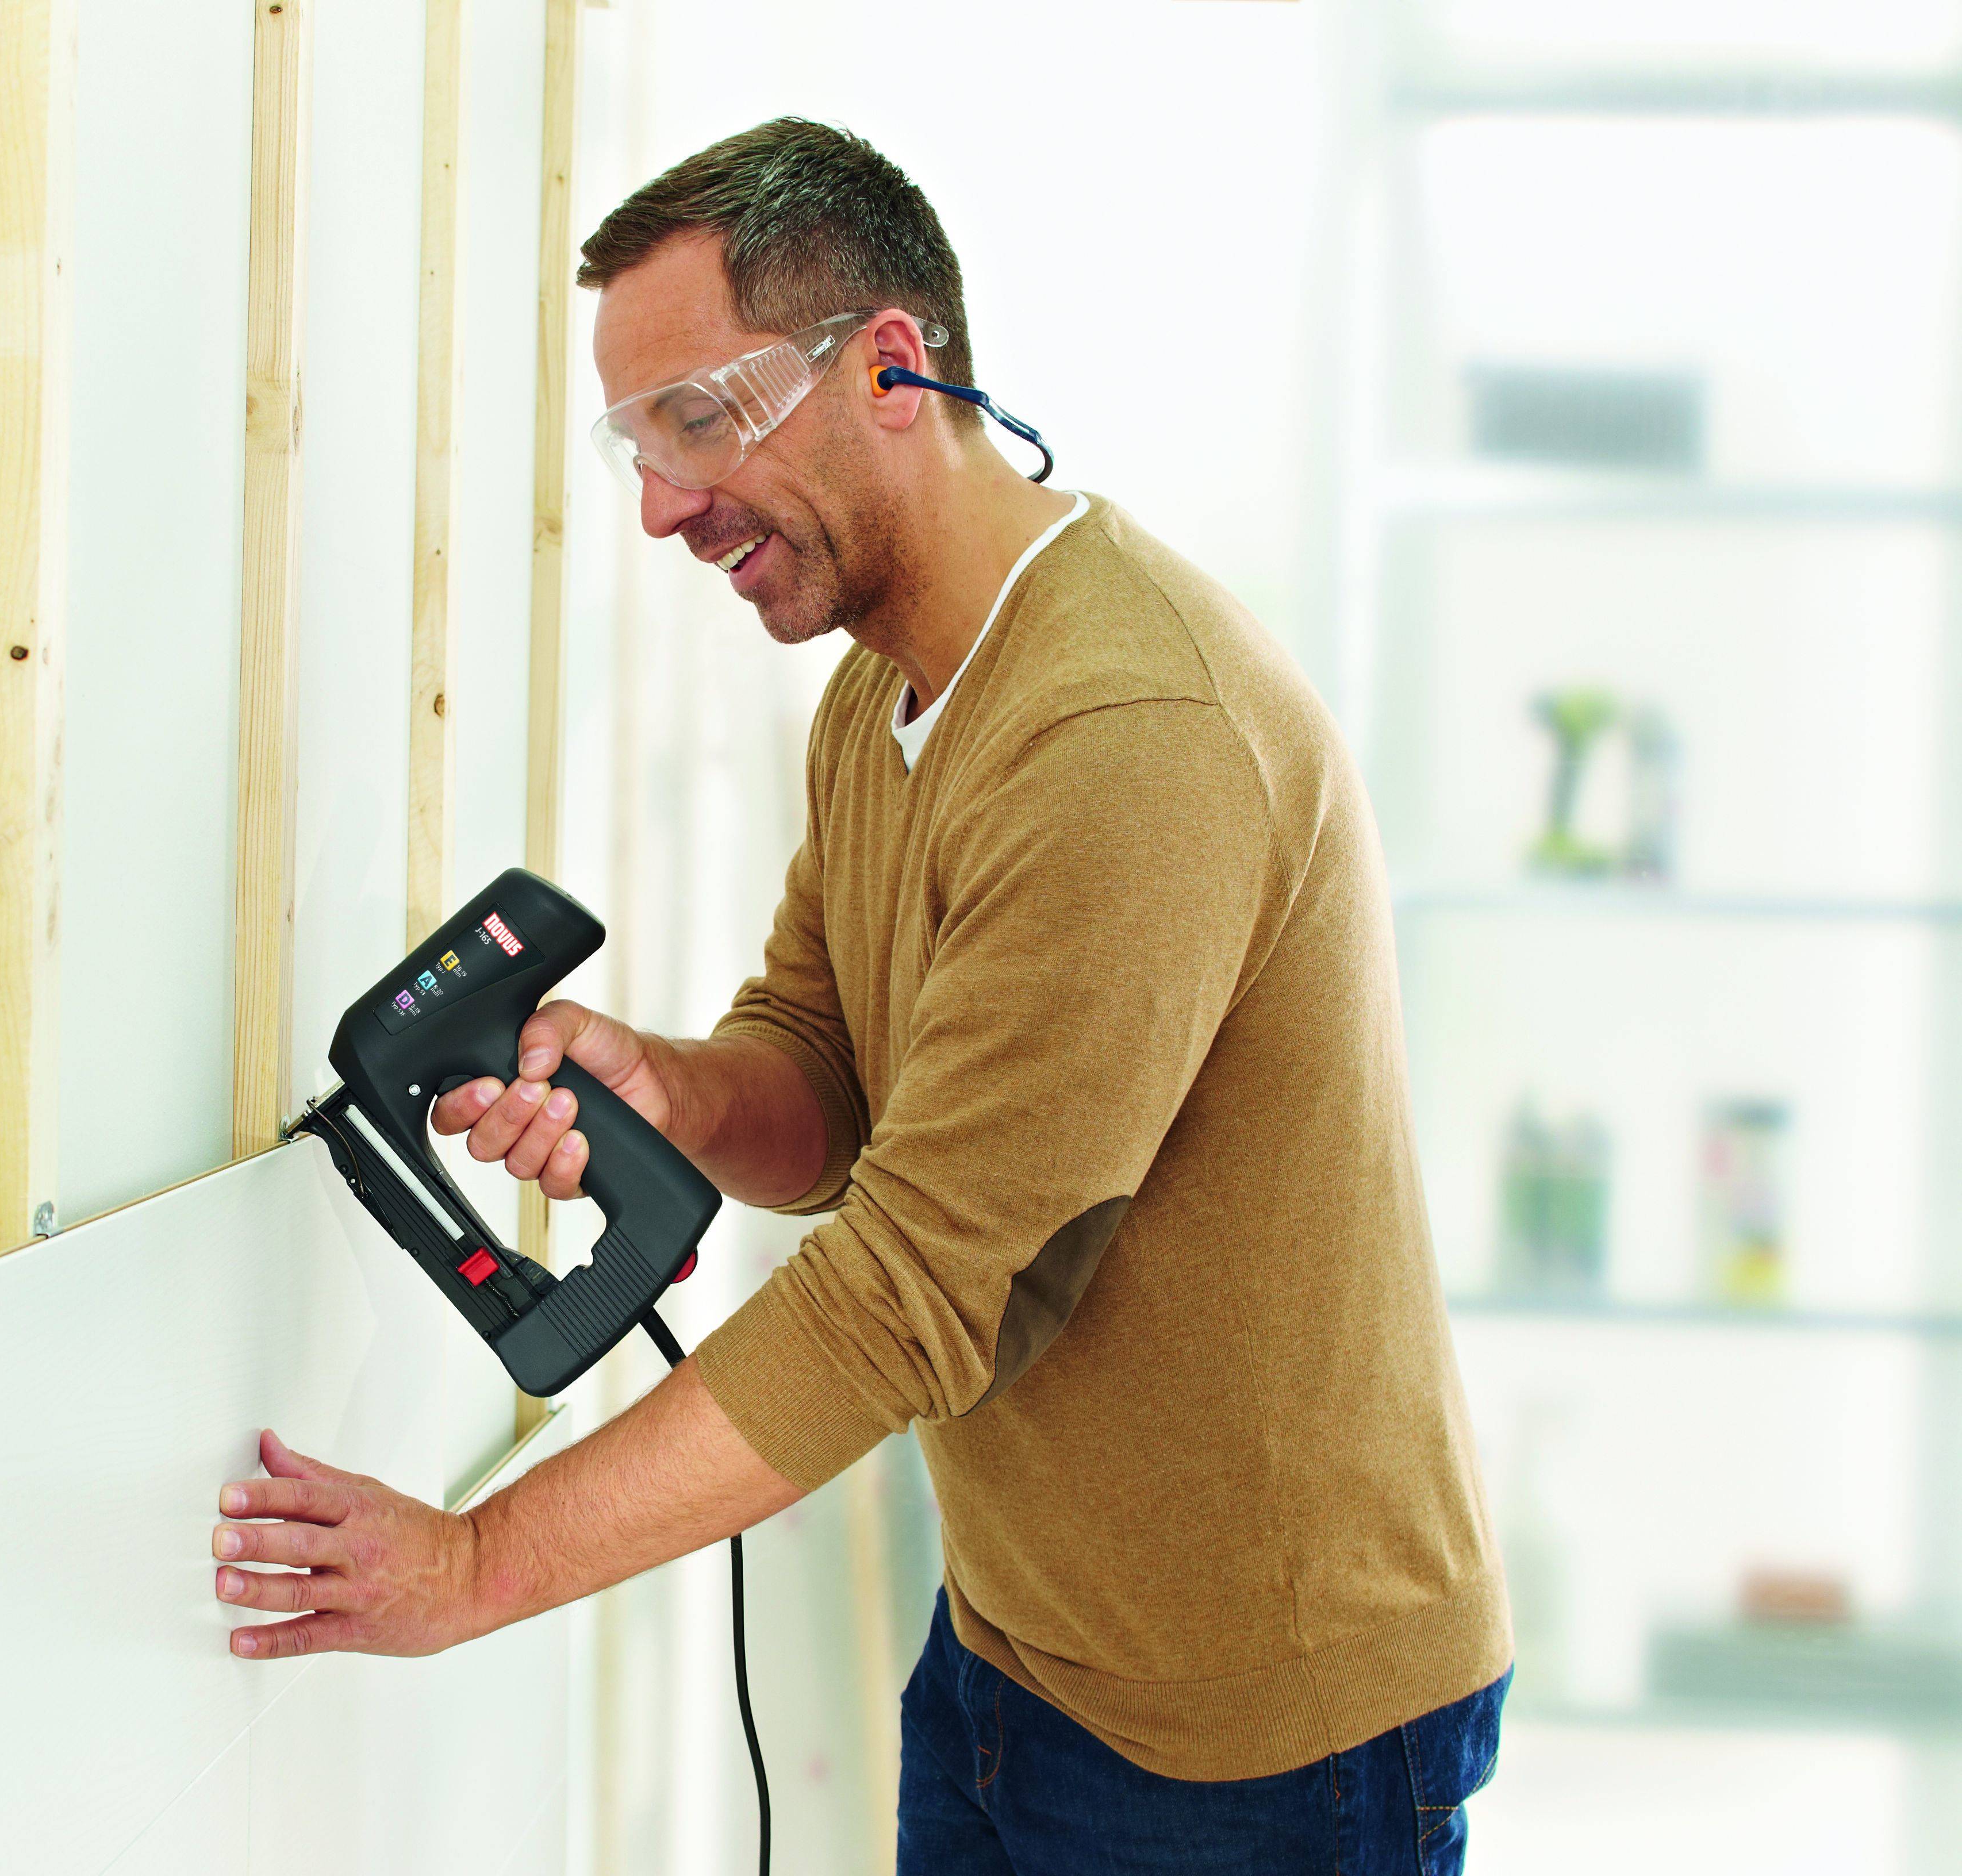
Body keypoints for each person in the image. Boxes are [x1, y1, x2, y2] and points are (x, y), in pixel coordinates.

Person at [208, 117, 1511, 1873]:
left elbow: (906, 1295)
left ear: (894, 367)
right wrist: (665, 1088)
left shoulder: (1126, 739)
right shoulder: (887, 695)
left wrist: (472, 1566)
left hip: (1257, 1731)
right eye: (635, 444)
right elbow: (822, 1074)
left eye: (701, 419)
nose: (663, 502)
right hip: (1017, 1653)